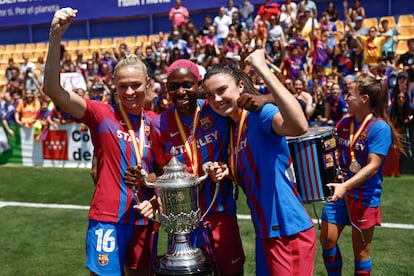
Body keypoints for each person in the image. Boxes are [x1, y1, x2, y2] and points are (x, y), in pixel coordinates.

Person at [44, 8, 158, 276]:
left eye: (136, 85)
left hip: (145, 218)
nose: (129, 92)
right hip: (107, 218)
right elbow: (52, 90)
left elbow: (162, 172)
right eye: (122, 86)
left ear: (148, 84)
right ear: (113, 86)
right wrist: (54, 37)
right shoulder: (101, 114)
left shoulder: (157, 122)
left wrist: (152, 189)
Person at [203, 49, 316, 276]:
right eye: (209, 95)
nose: (216, 99)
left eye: (222, 90)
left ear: (241, 87)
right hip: (266, 230)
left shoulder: (260, 114)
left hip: (287, 228)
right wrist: (229, 172)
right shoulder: (234, 129)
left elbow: (299, 126)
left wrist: (262, 69)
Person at [145, 59, 245, 275]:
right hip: (181, 220)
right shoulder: (159, 124)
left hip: (220, 212)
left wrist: (224, 169)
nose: (181, 91)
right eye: (174, 87)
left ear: (198, 85)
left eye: (187, 85)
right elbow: (160, 171)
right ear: (167, 89)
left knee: (231, 272)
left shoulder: (216, 109)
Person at [320, 75, 405, 275]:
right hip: (339, 192)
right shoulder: (343, 122)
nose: (345, 97)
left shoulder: (380, 128)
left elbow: (373, 166)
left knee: (361, 252)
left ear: (364, 99)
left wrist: (345, 186)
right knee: (327, 240)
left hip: (365, 196)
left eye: (350, 94)